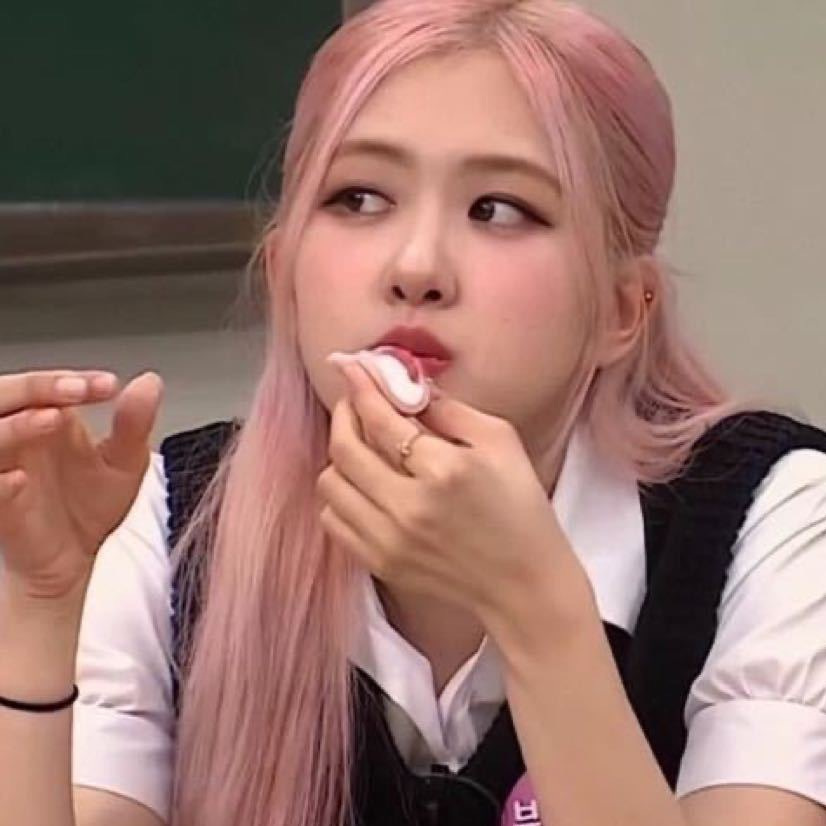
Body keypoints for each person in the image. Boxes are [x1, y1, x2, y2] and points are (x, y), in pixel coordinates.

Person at [1, 1, 825, 825]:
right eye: (359, 198)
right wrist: (40, 605)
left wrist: (535, 611)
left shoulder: (775, 515)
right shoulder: (168, 519)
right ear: (285, 273)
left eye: (498, 209)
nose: (417, 267)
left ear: (621, 308)